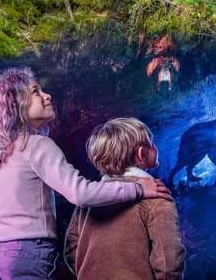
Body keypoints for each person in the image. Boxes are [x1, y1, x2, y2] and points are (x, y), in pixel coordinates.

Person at [0, 67, 172, 280]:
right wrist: (137, 189)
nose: (46, 95)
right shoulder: (37, 146)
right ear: (15, 106)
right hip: (26, 253)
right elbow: (81, 194)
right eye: (35, 92)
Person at [64, 118, 186, 280]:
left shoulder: (90, 199)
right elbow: (168, 261)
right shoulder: (157, 196)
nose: (155, 146)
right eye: (152, 142)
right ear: (142, 154)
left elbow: (71, 248)